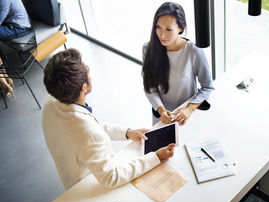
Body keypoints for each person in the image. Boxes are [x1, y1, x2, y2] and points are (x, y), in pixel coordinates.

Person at [42, 48, 175, 190]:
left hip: (71, 173)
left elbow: (87, 125)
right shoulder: (88, 133)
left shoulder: (51, 101)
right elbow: (111, 177)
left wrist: (126, 133)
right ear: (84, 87)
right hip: (89, 185)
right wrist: (155, 158)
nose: (90, 74)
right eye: (88, 71)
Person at [142, 2, 214, 125]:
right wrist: (161, 110)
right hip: (162, 118)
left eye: (168, 29)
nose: (162, 35)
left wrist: (189, 109)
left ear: (180, 28)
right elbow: (150, 87)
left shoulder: (193, 51)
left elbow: (207, 87)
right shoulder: (148, 48)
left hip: (186, 117)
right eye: (158, 27)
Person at [0, 0, 33, 97]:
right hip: (11, 24)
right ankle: (5, 79)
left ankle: (4, 81)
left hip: (20, 28)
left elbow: (0, 18)